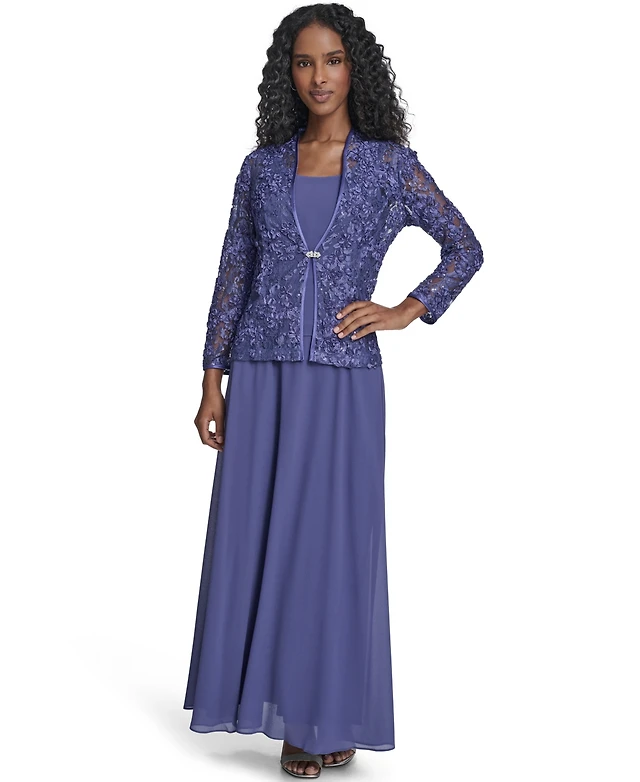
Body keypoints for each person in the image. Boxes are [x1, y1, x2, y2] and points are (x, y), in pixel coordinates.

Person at [183, 4, 484, 778]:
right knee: (259, 542)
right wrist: (212, 379)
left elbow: (464, 246)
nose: (319, 77)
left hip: (345, 383)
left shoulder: (389, 165)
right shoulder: (261, 168)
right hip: (262, 375)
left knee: (330, 548)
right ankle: (283, 707)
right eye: (304, 62)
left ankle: (323, 715)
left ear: (356, 70)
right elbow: (233, 275)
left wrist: (405, 311)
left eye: (333, 61)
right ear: (287, 74)